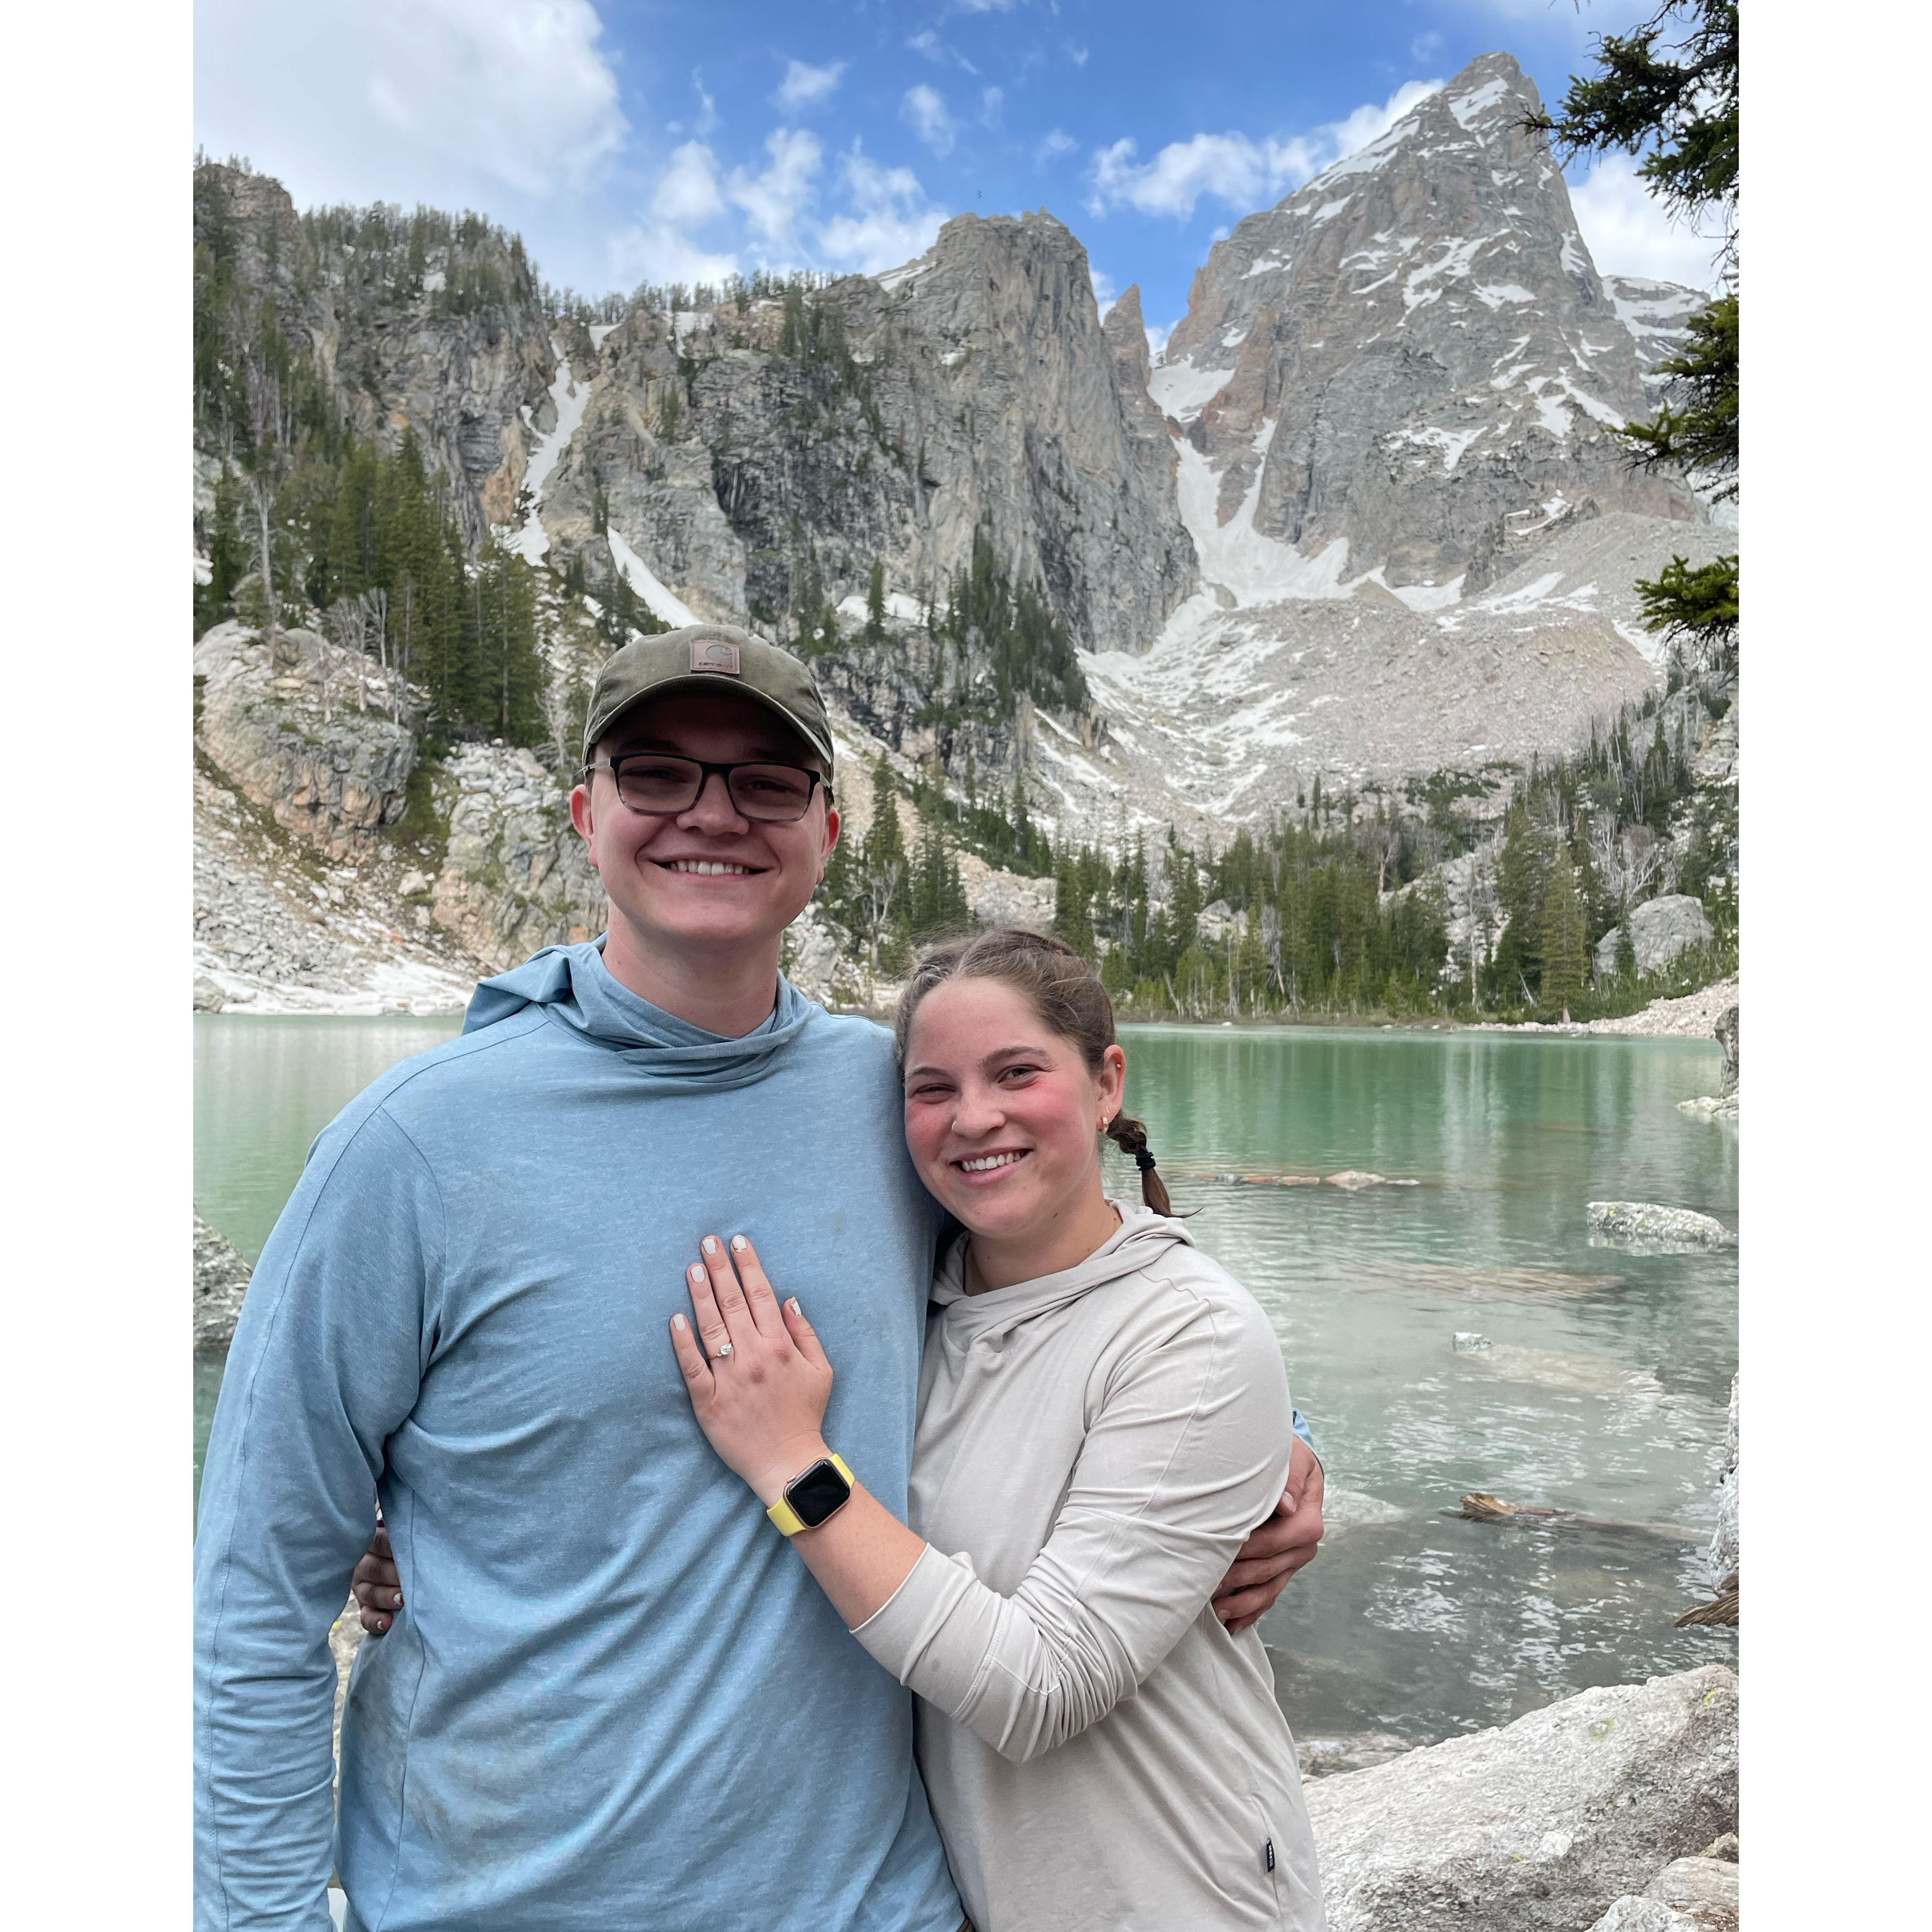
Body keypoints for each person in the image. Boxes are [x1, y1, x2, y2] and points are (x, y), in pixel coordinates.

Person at [197, 623, 1324, 1932]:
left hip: (874, 1905)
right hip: (496, 1900)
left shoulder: (895, 1103)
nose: (711, 815)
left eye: (764, 782)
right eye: (658, 773)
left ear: (828, 832)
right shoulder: (413, 1147)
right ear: (586, 813)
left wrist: (1276, 1453)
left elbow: (1066, 1292)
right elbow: (257, 1594)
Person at [659, 929, 1325, 1931]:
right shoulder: (909, 1305)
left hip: (1179, 1894)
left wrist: (796, 1467)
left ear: (1107, 1084)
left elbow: (1041, 1687)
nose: (976, 1118)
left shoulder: (1192, 1332)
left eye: (1018, 1073)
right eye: (933, 1089)